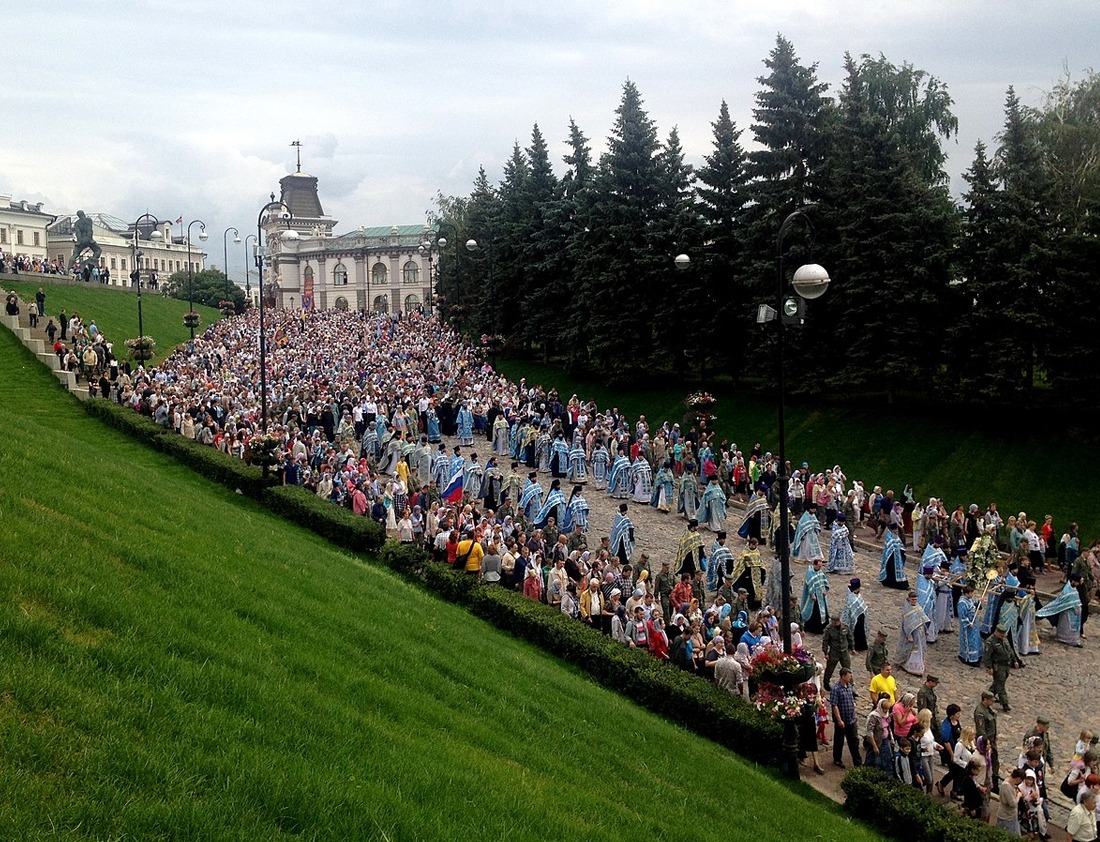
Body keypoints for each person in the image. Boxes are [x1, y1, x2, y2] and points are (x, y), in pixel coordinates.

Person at [1037, 573, 1085, 647]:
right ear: (1072, 581)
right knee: (1066, 626)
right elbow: (1064, 600)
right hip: (1067, 611)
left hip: (1075, 612)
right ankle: (1063, 638)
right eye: (1077, 582)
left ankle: (1074, 640)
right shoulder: (1067, 589)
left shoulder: (1074, 588)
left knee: (1073, 627)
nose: (1078, 584)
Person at [983, 624, 1020, 712]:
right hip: (998, 666)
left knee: (997, 683)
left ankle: (987, 696)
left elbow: (1010, 650)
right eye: (1001, 634)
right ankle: (1005, 703)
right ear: (996, 632)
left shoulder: (1004, 639)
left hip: (1006, 665)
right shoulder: (990, 642)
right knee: (1001, 685)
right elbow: (987, 656)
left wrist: (1015, 660)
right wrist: (989, 667)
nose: (1003, 636)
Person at [830, 667, 861, 768]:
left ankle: (857, 762)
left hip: (851, 719)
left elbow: (851, 700)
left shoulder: (849, 686)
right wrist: (839, 720)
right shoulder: (836, 689)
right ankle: (837, 759)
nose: (850, 677)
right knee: (839, 741)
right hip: (842, 720)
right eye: (848, 676)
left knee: (854, 741)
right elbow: (834, 705)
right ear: (843, 676)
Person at [896, 590, 930, 676]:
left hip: (920, 632)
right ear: (909, 599)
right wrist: (909, 635)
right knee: (912, 649)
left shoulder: (918, 607)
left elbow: (922, 618)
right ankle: (910, 665)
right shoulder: (907, 610)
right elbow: (906, 624)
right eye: (913, 599)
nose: (914, 601)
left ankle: (919, 665)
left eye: (916, 599)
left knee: (920, 649)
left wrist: (926, 630)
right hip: (913, 633)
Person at [821, 614, 854, 691]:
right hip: (834, 652)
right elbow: (825, 641)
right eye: (833, 622)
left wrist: (852, 648)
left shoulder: (845, 627)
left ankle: (850, 686)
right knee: (830, 668)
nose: (834, 623)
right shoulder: (828, 629)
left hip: (844, 652)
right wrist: (825, 653)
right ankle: (826, 683)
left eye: (835, 622)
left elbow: (850, 637)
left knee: (847, 669)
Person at [975, 691, 1000, 786]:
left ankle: (995, 781)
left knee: (995, 761)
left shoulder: (987, 709)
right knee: (987, 762)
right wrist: (986, 743)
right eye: (991, 700)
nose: (992, 702)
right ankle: (985, 781)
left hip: (992, 740)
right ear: (985, 700)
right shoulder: (980, 712)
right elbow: (981, 730)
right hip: (986, 742)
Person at [801, 557, 830, 634]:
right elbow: (810, 584)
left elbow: (823, 580)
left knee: (823, 610)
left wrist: (824, 590)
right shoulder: (810, 573)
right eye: (819, 566)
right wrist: (812, 594)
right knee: (814, 612)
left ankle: (823, 626)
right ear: (814, 565)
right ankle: (813, 628)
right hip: (813, 597)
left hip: (820, 594)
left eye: (821, 566)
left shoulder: (819, 571)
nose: (820, 568)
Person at [957, 584, 984, 666]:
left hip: (974, 624)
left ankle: (976, 656)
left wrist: (979, 601)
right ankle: (968, 658)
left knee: (975, 640)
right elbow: (962, 615)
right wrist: (968, 623)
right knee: (969, 642)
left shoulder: (970, 600)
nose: (972, 595)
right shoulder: (962, 603)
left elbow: (976, 605)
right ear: (966, 593)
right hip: (968, 626)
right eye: (971, 593)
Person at [840, 577, 868, 651]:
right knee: (858, 632)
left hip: (858, 616)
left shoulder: (852, 595)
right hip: (857, 618)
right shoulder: (853, 598)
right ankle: (858, 646)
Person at [995, 768, 1024, 835]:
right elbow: (1013, 804)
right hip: (1006, 817)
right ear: (1018, 779)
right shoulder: (1006, 786)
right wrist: (1018, 796)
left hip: (1012, 816)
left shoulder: (1010, 783)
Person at [879, 522, 908, 589]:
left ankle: (901, 584)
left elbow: (900, 545)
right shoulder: (889, 537)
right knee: (891, 571)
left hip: (897, 557)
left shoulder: (896, 536)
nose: (896, 530)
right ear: (892, 530)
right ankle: (891, 583)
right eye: (895, 529)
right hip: (891, 558)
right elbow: (889, 547)